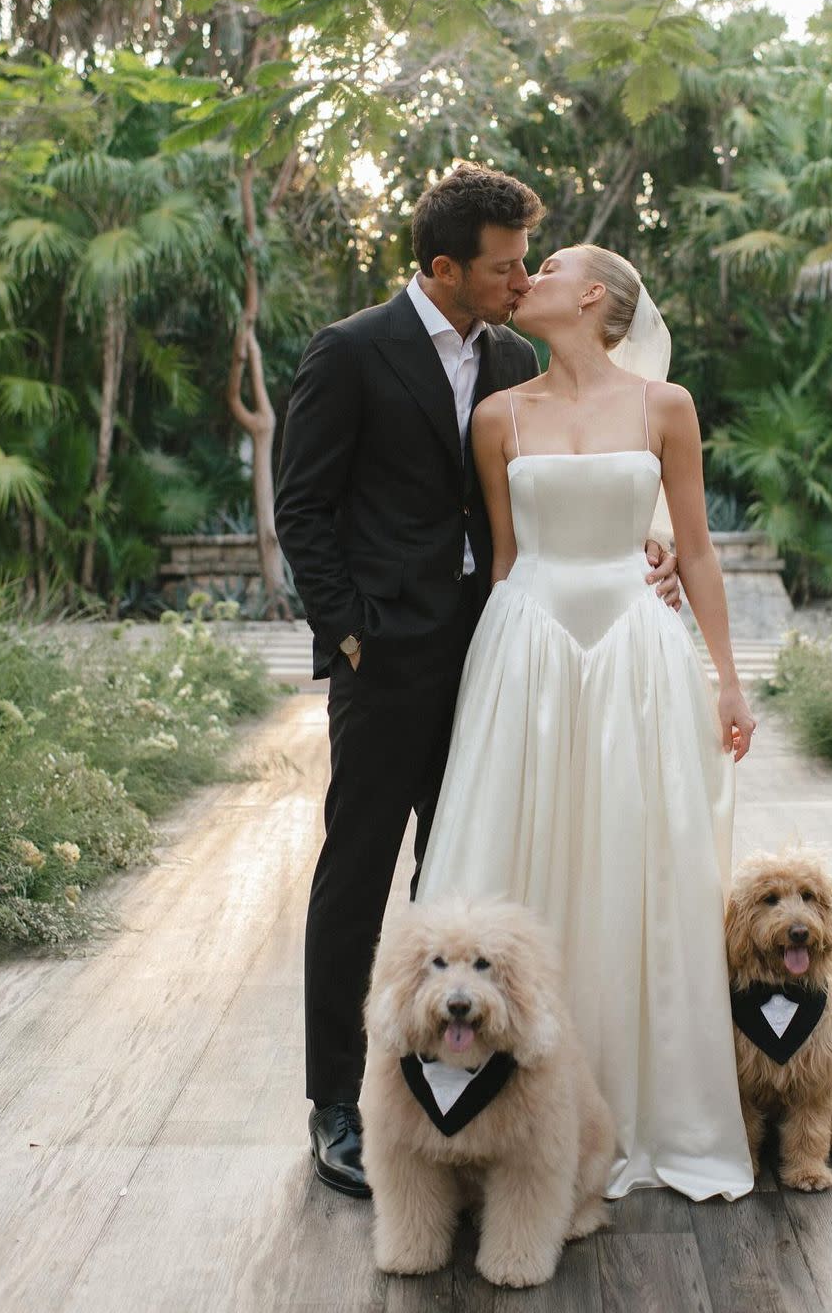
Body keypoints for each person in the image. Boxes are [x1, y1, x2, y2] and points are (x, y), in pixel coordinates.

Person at [274, 168, 679, 1197]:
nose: (518, 281)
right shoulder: (352, 352)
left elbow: (565, 480)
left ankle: (465, 1093)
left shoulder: (510, 356)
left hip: (499, 652)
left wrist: (649, 551)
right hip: (389, 657)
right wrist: (349, 636)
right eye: (503, 266)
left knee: (463, 873)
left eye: (525, 266)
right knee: (360, 872)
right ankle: (340, 1104)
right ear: (444, 265)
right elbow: (304, 508)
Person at [416, 244, 759, 1200]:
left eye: (550, 265)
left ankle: (638, 1112)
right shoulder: (497, 416)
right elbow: (503, 558)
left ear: (595, 294)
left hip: (635, 654)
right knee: (510, 850)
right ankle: (481, 1117)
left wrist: (727, 681)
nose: (528, 278)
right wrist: (479, 680)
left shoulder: (666, 408)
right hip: (525, 644)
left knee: (634, 858)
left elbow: (693, 550)